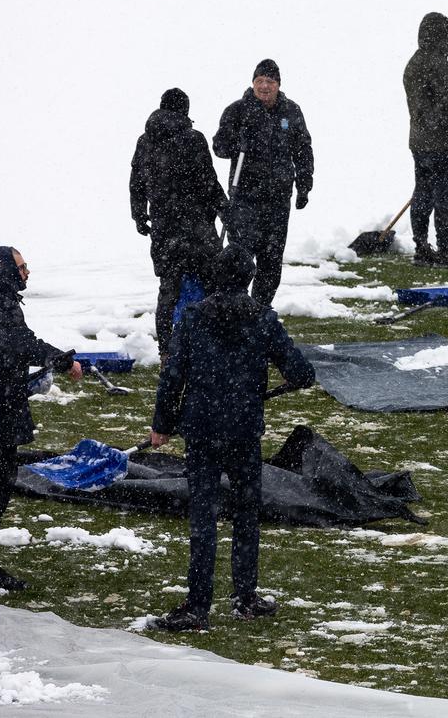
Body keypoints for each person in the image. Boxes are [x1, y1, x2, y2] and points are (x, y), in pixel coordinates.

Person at [148, 246, 316, 632]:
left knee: (203, 517)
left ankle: (198, 606)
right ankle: (245, 597)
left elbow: (173, 376)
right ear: (249, 278)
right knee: (246, 514)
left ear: (216, 276)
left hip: (202, 428)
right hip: (243, 429)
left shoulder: (193, 317)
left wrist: (162, 424)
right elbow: (301, 372)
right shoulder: (262, 318)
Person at [0, 247, 83, 593]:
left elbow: (3, 350)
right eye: (22, 267)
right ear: (6, 270)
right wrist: (63, 361)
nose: (27, 273)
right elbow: (23, 345)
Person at [129, 88, 226, 354]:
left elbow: (136, 183)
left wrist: (139, 215)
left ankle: (166, 351)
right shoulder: (193, 139)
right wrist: (224, 209)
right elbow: (208, 181)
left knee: (168, 291)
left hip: (164, 229)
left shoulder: (145, 141)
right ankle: (212, 344)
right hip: (197, 228)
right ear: (185, 110)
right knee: (212, 284)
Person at [213, 59, 314, 308]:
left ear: (278, 84)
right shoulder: (237, 111)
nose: (264, 86)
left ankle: (260, 311)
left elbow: (303, 149)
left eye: (270, 81)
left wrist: (304, 184)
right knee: (240, 258)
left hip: (278, 200)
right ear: (253, 83)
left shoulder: (291, 111)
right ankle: (235, 310)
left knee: (271, 260)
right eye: (259, 81)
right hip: (244, 199)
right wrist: (237, 140)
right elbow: (219, 147)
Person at [402, 12, 448, 269]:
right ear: (438, 37)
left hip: (420, 142)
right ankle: (444, 249)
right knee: (446, 197)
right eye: (447, 38)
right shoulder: (438, 65)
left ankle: (422, 248)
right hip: (442, 144)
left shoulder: (413, 64)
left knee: (422, 194)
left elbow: (427, 108)